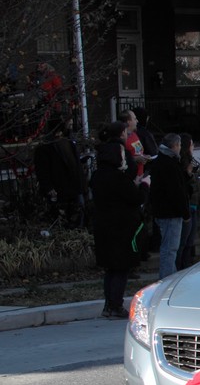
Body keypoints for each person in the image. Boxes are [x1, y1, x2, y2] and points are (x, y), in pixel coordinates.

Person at [90, 121, 149, 318]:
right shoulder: (117, 178)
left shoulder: (98, 176)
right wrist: (144, 186)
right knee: (121, 268)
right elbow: (136, 198)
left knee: (111, 268)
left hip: (104, 225)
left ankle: (109, 304)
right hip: (121, 227)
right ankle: (115, 305)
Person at [146, 133, 190, 279]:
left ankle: (171, 277)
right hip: (170, 212)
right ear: (175, 146)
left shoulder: (161, 161)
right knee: (170, 249)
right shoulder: (169, 164)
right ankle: (166, 279)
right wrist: (185, 212)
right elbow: (176, 191)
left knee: (169, 248)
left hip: (163, 211)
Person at [34, 119, 84, 227]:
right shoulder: (45, 148)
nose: (71, 128)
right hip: (59, 191)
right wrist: (49, 188)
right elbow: (42, 171)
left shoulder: (70, 144)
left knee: (78, 218)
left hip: (74, 188)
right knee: (61, 221)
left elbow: (76, 165)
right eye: (69, 125)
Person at [175, 133, 200, 270]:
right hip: (187, 205)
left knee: (190, 240)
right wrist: (189, 174)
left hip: (194, 204)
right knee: (183, 241)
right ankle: (179, 268)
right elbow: (184, 184)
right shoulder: (181, 164)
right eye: (191, 144)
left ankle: (187, 266)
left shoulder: (192, 161)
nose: (193, 147)